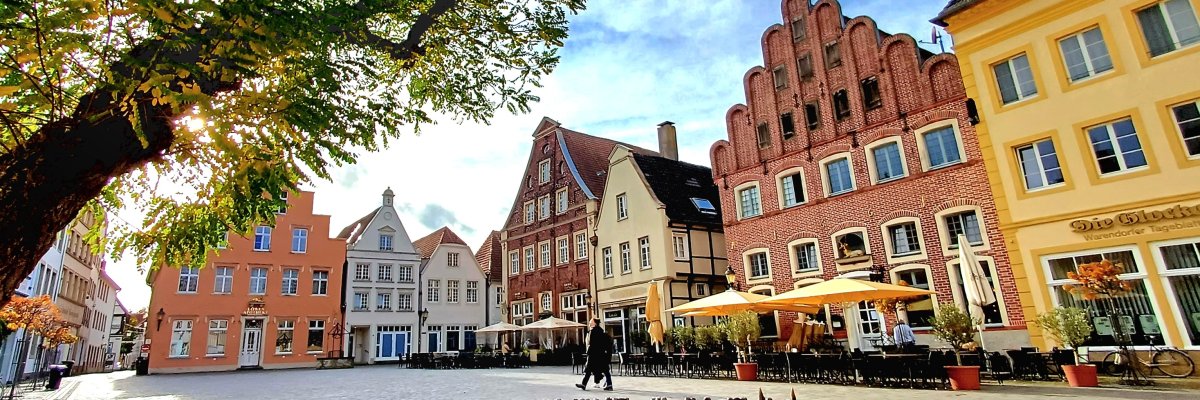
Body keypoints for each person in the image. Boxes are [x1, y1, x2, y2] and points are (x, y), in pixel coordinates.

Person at [576, 318, 613, 391]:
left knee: (588, 370)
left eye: (591, 322)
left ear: (595, 323)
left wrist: (588, 352)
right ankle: (609, 384)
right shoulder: (602, 332)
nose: (589, 323)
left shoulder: (592, 332)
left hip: (593, 354)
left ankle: (584, 384)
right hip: (601, 354)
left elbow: (591, 344)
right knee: (605, 370)